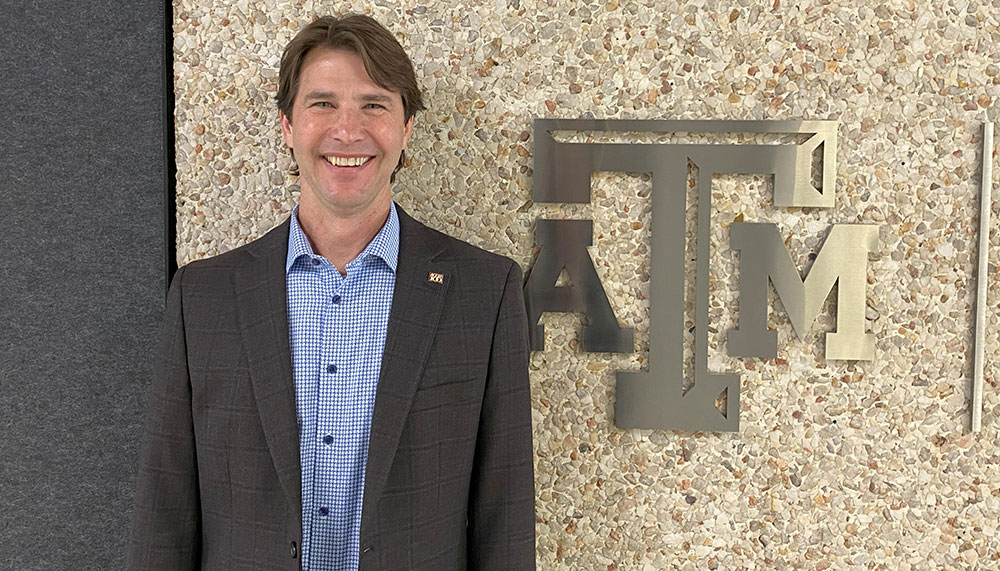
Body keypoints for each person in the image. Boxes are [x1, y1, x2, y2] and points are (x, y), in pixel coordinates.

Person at [127, 14, 535, 571]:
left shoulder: (484, 292)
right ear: (287, 126)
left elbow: (505, 514)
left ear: (406, 127)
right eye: (322, 104)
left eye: (374, 104)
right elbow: (164, 511)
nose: (348, 131)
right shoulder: (204, 297)